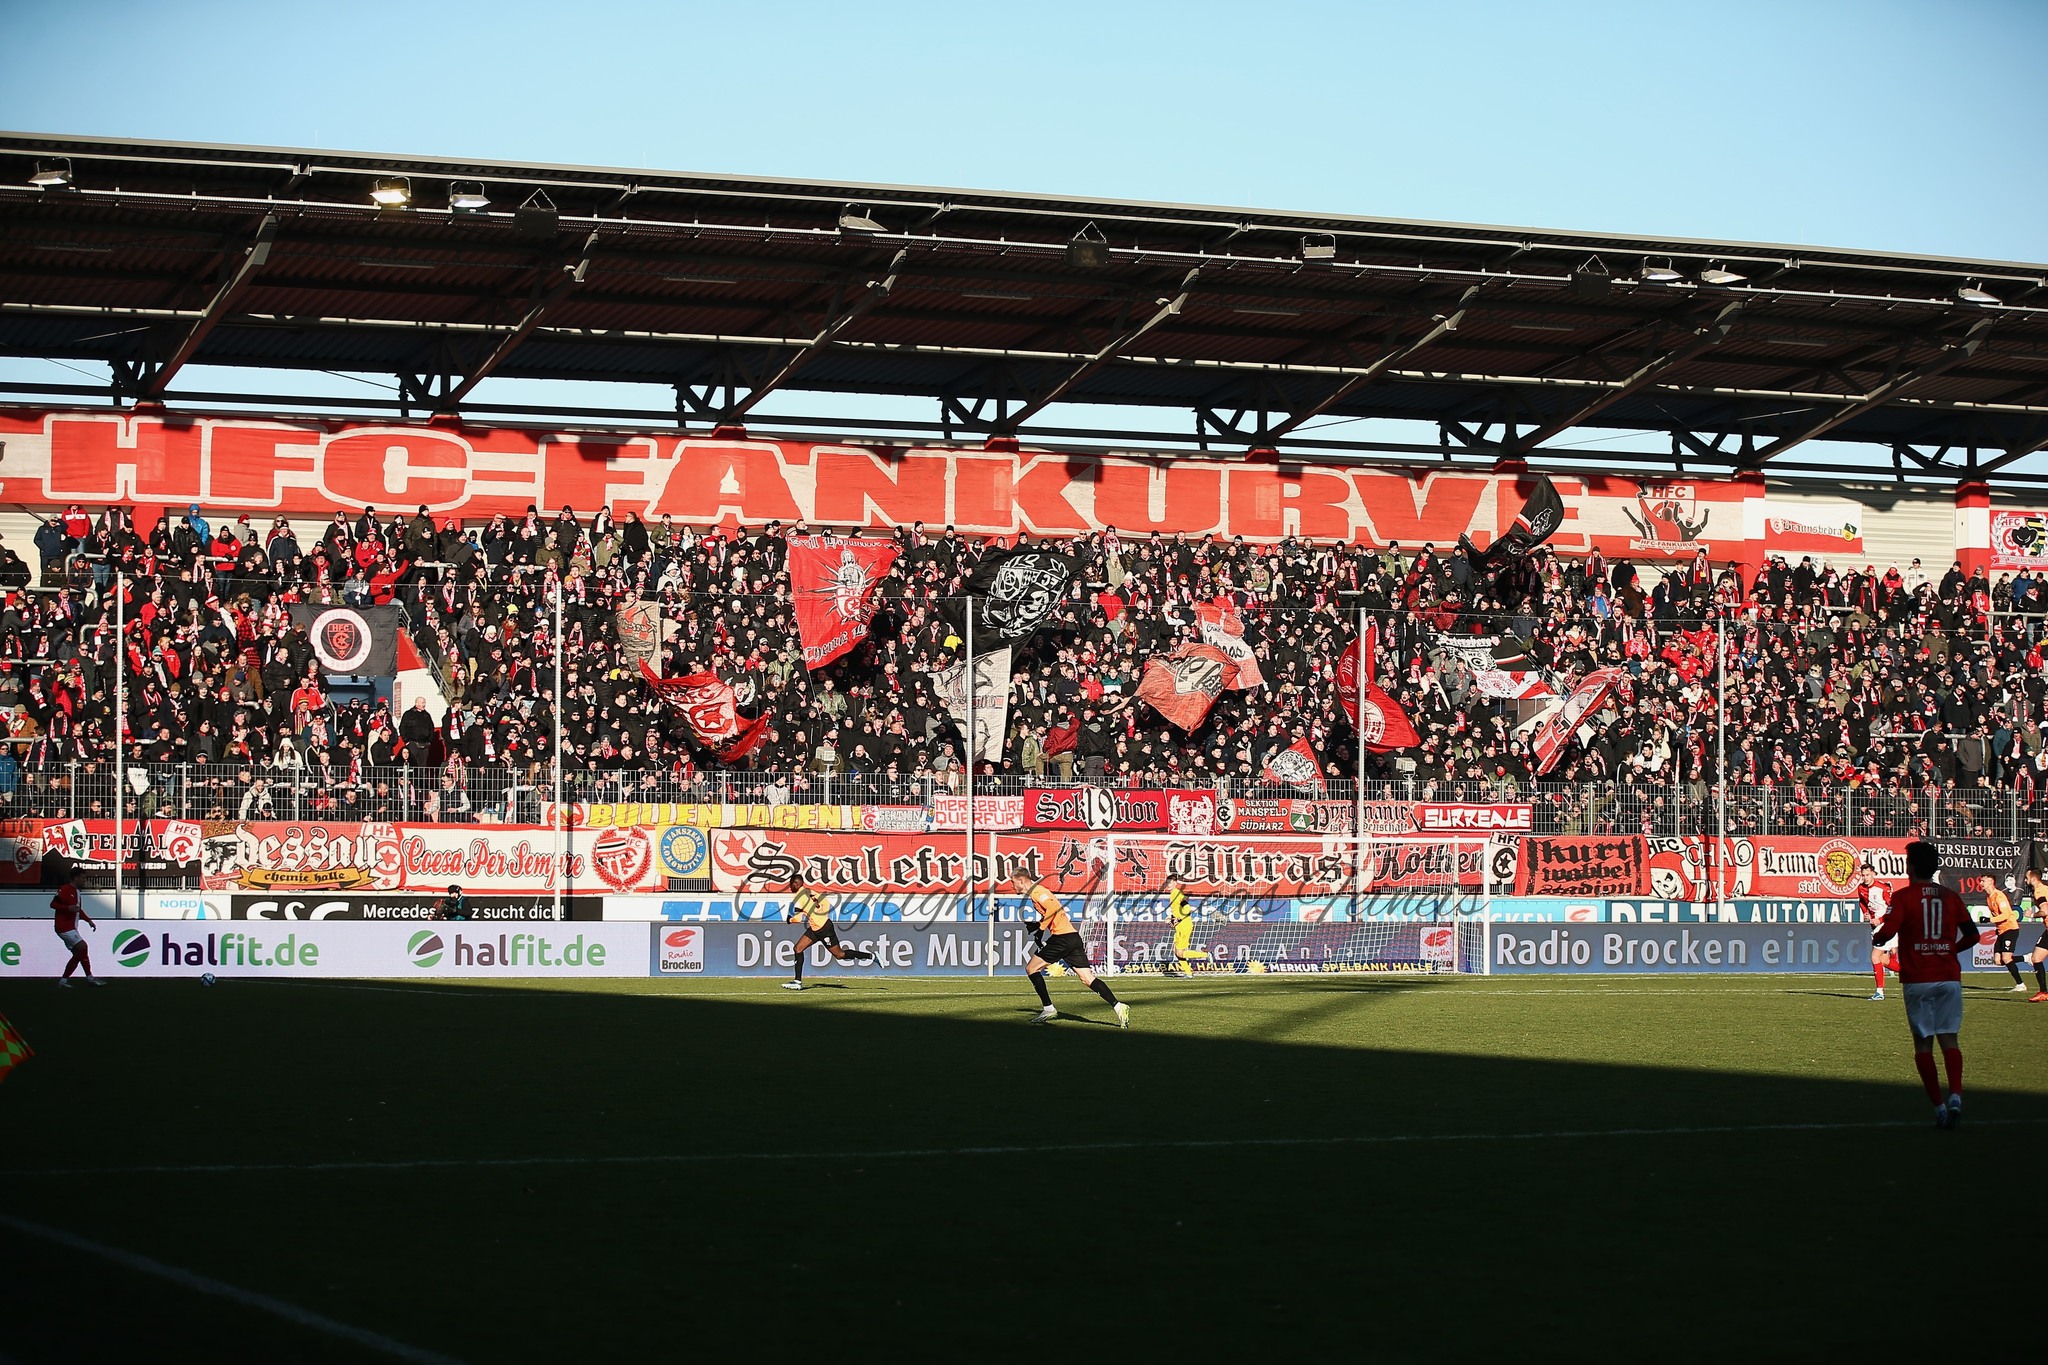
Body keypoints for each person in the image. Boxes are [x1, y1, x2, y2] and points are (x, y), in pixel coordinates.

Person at [1871, 842, 1977, 1128]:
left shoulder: (1903, 897)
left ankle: (1939, 1108)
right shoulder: (1950, 896)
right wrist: (1950, 950)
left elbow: (1887, 932)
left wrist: (1877, 938)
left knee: (1923, 1044)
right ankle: (1956, 1096)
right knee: (1949, 1039)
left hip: (1918, 979)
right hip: (1949, 977)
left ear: (1911, 867)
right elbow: (1973, 936)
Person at [1008, 869, 1128, 1027]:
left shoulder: (1038, 892)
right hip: (1072, 937)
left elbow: (1053, 909)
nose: (1012, 886)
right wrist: (1038, 925)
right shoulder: (1036, 893)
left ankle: (1049, 1008)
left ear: (1021, 880)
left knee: (1031, 968)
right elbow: (1054, 912)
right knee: (1087, 979)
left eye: (1013, 882)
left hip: (1062, 938)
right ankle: (1118, 1006)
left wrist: (1041, 930)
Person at [780, 873, 874, 991]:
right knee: (798, 948)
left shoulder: (799, 897)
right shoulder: (810, 891)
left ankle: (871, 956)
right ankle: (797, 982)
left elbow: (797, 919)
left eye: (791, 884)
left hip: (823, 929)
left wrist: (789, 920)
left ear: (796, 884)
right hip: (816, 927)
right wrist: (821, 915)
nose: (790, 887)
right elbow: (826, 903)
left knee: (840, 955)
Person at [52, 874, 102, 987]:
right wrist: (67, 908)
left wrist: (88, 920)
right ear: (76, 878)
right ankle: (90, 978)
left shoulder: (77, 892)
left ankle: (64, 981)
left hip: (71, 928)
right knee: (83, 947)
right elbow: (53, 904)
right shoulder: (65, 889)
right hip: (64, 928)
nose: (84, 880)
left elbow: (78, 910)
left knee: (79, 954)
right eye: (83, 878)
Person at [1855, 863, 1895, 1001]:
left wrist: (1880, 919)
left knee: (1874, 957)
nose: (1865, 878)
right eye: (1863, 875)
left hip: (1886, 925)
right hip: (1876, 926)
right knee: (1884, 960)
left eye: (1867, 875)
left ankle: (1879, 992)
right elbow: (1862, 902)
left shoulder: (1882, 888)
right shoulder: (1861, 888)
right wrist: (1865, 912)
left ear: (1873, 874)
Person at [1984, 875, 2025, 991]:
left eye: (1983, 881)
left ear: (1990, 882)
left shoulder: (1999, 896)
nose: (1981, 883)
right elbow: (1997, 914)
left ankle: (2020, 984)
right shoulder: (1988, 897)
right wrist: (1997, 927)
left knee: (2006, 958)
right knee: (1998, 961)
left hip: (2010, 928)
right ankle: (2025, 958)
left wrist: (1989, 920)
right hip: (2001, 930)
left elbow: (2006, 914)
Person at [1164, 875, 1210, 978]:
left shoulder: (1177, 893)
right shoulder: (1173, 894)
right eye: (1167, 883)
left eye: (1170, 883)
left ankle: (1206, 955)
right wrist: (1171, 918)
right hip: (1179, 927)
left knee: (1180, 953)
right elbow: (1178, 911)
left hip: (1184, 926)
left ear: (1175, 883)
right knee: (1175, 951)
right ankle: (1189, 973)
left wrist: (1178, 919)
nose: (1168, 885)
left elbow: (1187, 908)